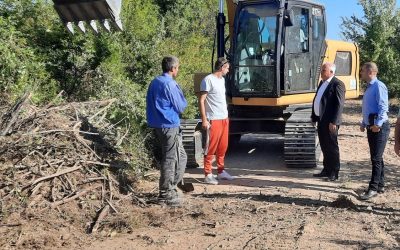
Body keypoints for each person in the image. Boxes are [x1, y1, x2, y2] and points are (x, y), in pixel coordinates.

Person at [146, 56, 188, 206]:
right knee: (170, 158)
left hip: (158, 124)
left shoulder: (155, 82)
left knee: (181, 157)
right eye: (177, 67)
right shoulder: (170, 84)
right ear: (173, 68)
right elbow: (181, 106)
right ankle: (166, 193)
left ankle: (172, 187)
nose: (178, 70)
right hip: (169, 124)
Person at [199, 57, 235, 185]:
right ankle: (208, 174)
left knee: (223, 146)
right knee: (211, 147)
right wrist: (204, 120)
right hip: (213, 118)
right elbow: (202, 100)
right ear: (222, 68)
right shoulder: (208, 80)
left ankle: (221, 171)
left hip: (224, 118)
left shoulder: (222, 80)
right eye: (227, 68)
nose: (228, 70)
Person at [359, 62, 390, 200]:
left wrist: (377, 124)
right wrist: (364, 122)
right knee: (377, 157)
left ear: (370, 72)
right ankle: (381, 185)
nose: (361, 73)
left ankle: (373, 188)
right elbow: (369, 108)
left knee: (376, 158)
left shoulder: (379, 86)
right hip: (371, 126)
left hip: (379, 127)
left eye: (363, 71)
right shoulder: (369, 87)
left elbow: (384, 107)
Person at [311, 62, 346, 181]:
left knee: (332, 147)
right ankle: (326, 169)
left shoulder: (337, 84)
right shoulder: (322, 83)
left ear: (331, 72)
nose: (321, 72)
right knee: (324, 146)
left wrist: (334, 121)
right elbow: (318, 100)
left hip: (331, 122)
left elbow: (339, 105)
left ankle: (334, 172)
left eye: (323, 70)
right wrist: (314, 116)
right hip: (321, 120)